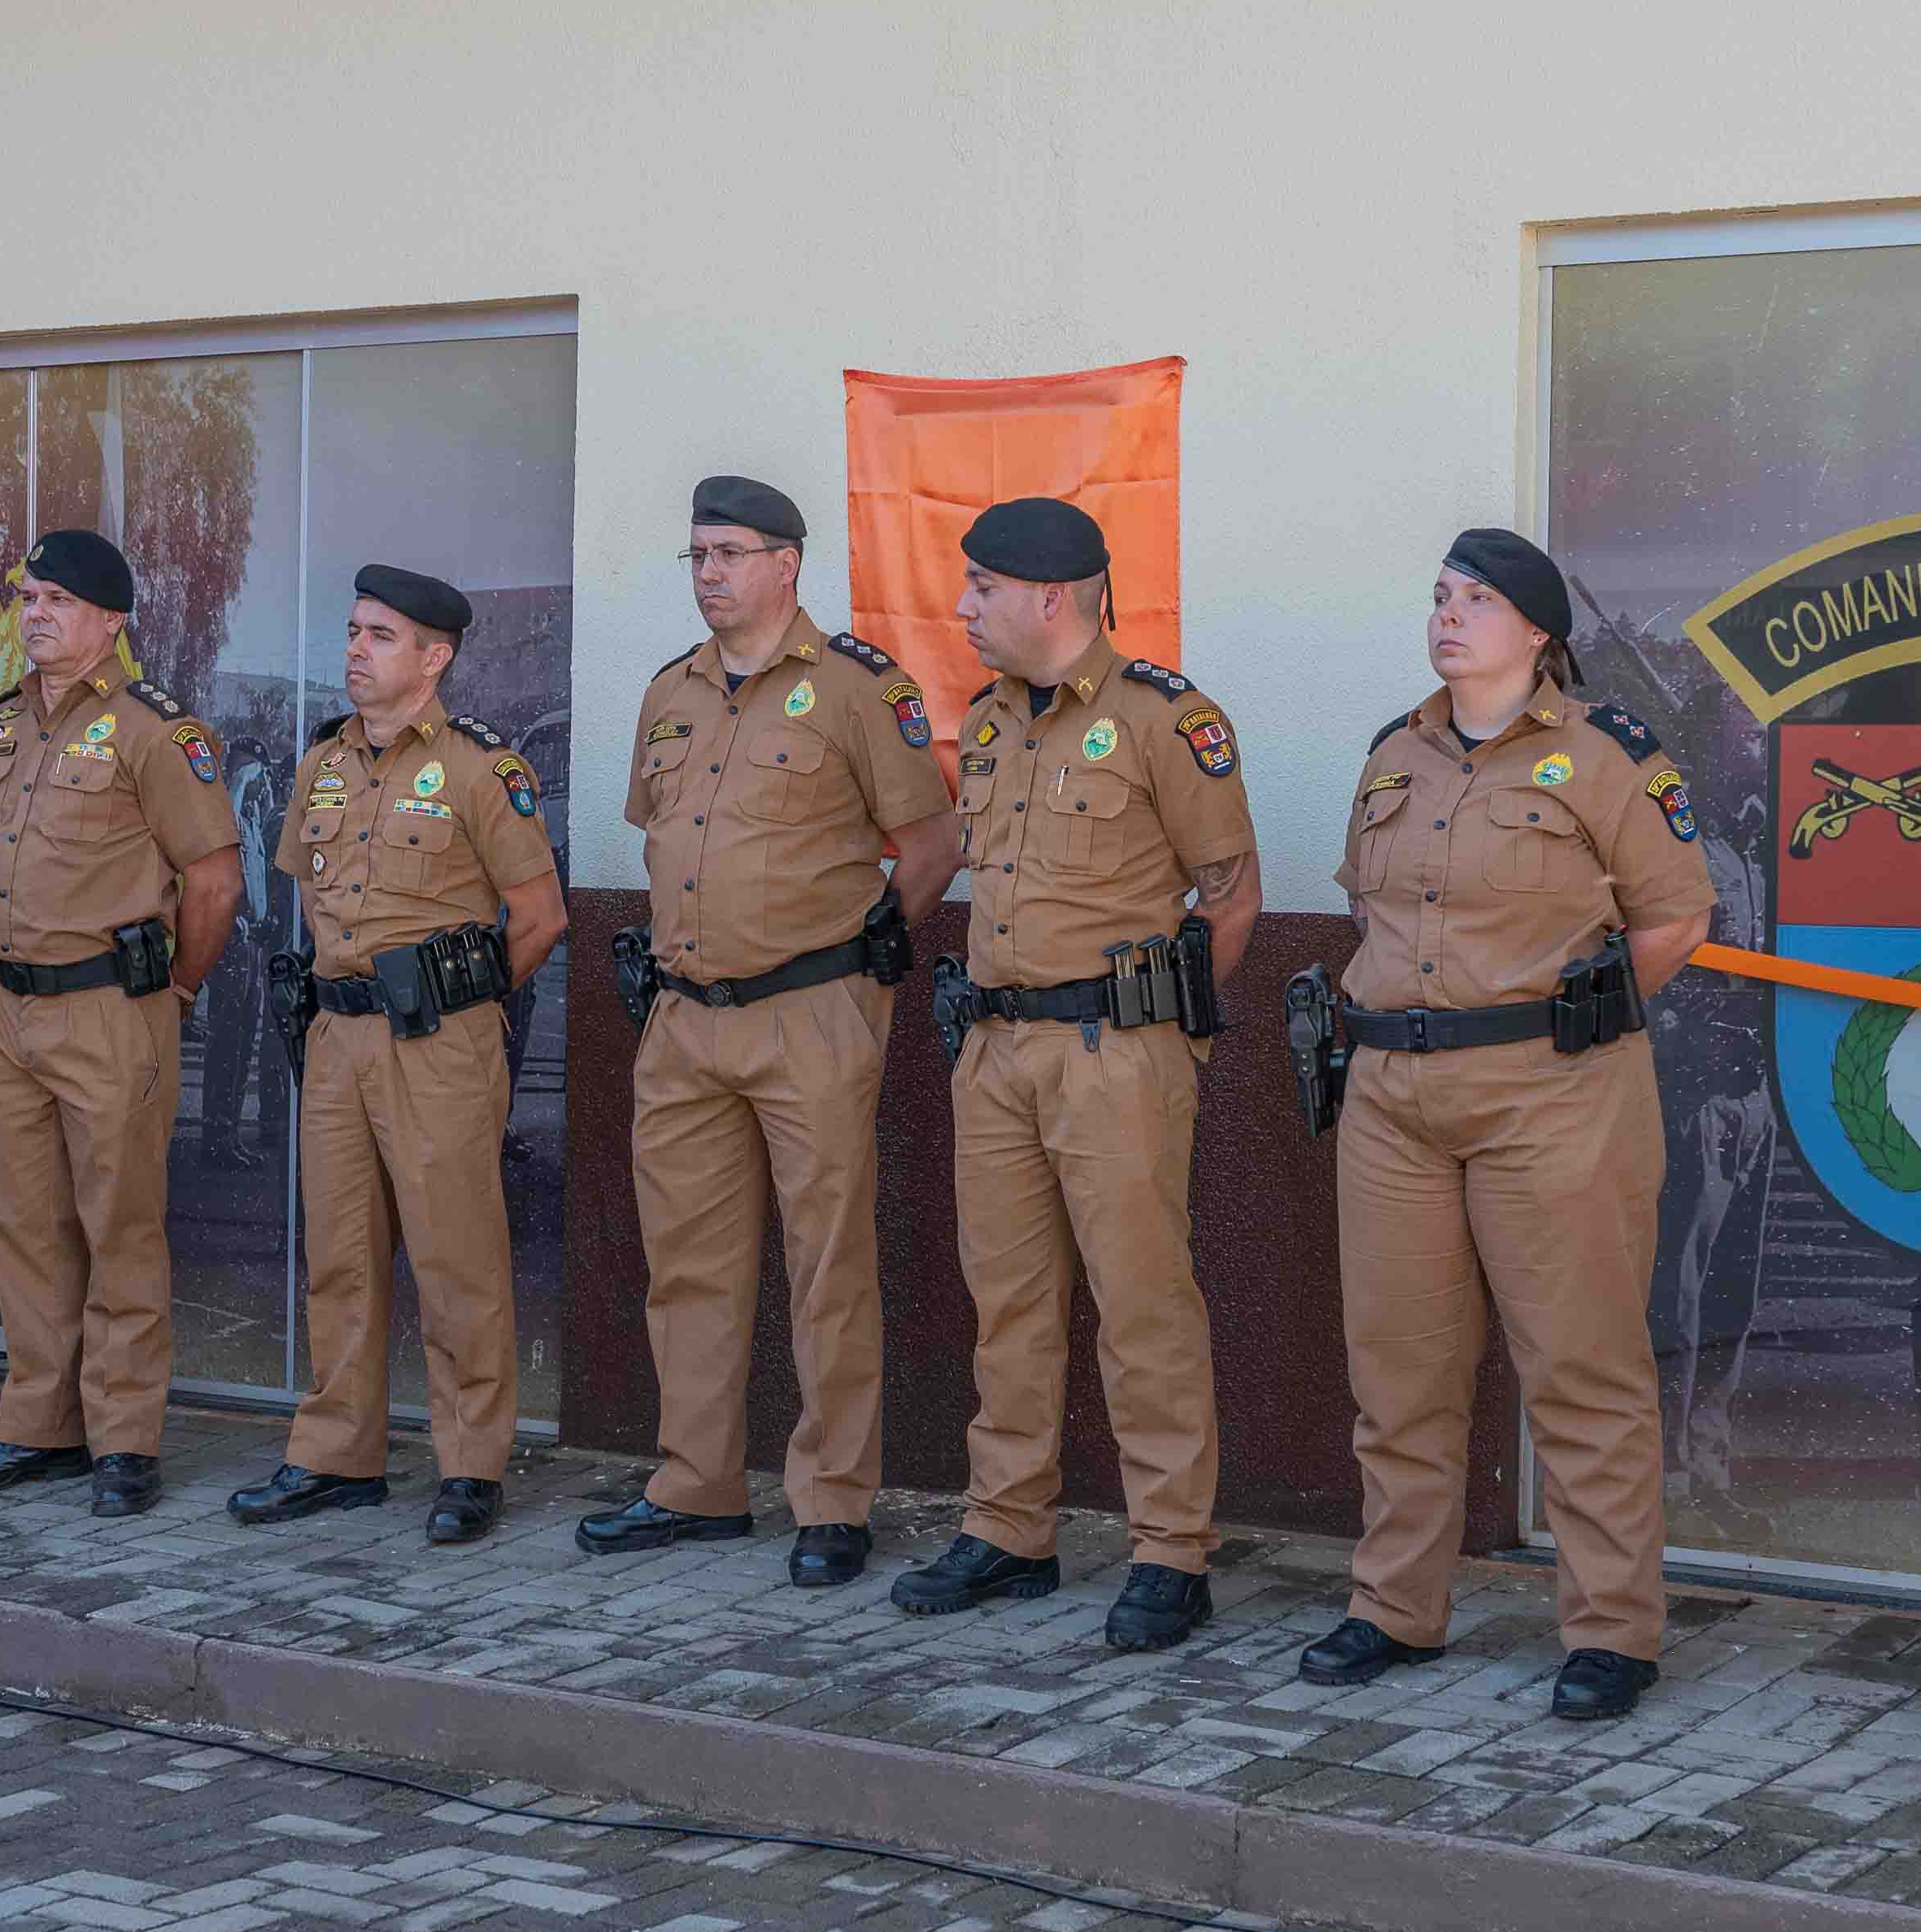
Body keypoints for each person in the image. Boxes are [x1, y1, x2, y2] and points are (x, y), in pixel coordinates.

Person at [1298, 529, 1714, 1722]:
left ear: (1536, 632)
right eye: (1438, 595)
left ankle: (1610, 1628)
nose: (1448, 616)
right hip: (1390, 1096)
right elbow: (1367, 911)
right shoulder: (1395, 753)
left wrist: (1569, 1012)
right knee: (1401, 1370)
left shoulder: (1606, 756)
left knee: (1580, 1368)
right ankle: (1393, 1604)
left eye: (1477, 600)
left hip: (1551, 1091)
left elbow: (1675, 915)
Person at [897, 496, 1261, 1651]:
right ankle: (1010, 1528)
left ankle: (1169, 1549)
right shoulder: (992, 721)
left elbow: (1232, 896)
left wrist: (1171, 1032)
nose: (962, 608)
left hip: (1116, 1052)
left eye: (980, 589)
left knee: (1141, 1303)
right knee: (1006, 1302)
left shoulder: (1167, 718)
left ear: (1048, 597)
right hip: (994, 1049)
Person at [579, 476, 958, 1582]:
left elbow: (930, 842)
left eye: (730, 552)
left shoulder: (853, 688)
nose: (709, 572)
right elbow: (661, 838)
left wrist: (874, 947)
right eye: (696, 552)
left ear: (786, 564)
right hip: (684, 1016)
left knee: (826, 1264)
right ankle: (694, 1483)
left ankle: (832, 1498)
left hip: (812, 1012)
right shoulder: (670, 692)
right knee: (687, 1266)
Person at [225, 566, 567, 1546]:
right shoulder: (322, 765)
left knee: (456, 1258)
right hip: (335, 1038)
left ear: (434, 656)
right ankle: (338, 1455)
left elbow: (538, 917)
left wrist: (465, 1003)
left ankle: (470, 1464)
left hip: (438, 1042)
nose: (355, 650)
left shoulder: (478, 767)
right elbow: (306, 900)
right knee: (337, 1256)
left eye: (380, 635)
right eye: (352, 631)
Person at [0, 529, 242, 1515]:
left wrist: (173, 994)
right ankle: (37, 1425)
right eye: (28, 600)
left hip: (111, 1009)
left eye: (58, 602)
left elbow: (213, 881)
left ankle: (122, 1439)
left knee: (118, 1226)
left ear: (111, 622)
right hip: (6, 1009)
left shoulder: (157, 729)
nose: (35, 616)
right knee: (20, 1225)